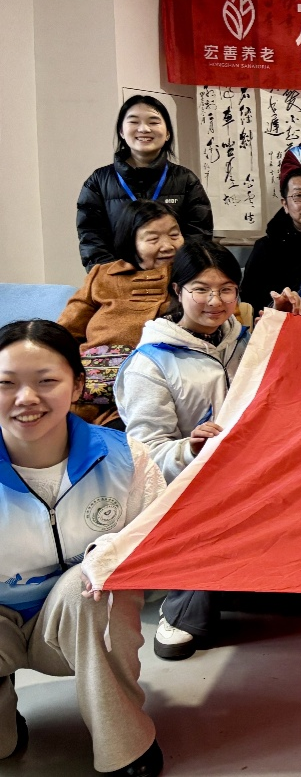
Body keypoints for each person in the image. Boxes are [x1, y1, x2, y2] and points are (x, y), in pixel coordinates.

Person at [0, 320, 166, 776]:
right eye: (6, 384)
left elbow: (157, 539)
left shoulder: (125, 457)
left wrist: (110, 553)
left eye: (46, 381)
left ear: (77, 386)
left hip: (78, 619)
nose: (26, 398)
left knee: (95, 584)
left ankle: (124, 741)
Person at [114, 239, 250, 660]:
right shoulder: (151, 362)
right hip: (191, 482)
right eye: (201, 289)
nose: (216, 301)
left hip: (252, 470)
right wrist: (190, 448)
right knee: (211, 504)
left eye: (226, 289)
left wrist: (291, 323)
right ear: (177, 291)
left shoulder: (245, 340)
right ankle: (183, 606)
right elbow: (145, 453)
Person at [59, 200, 185, 425]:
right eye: (153, 239)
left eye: (174, 235)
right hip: (90, 385)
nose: (167, 246)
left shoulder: (193, 277)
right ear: (130, 241)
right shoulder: (102, 275)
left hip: (153, 389)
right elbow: (63, 333)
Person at [76, 95, 212, 271]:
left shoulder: (186, 180)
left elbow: (199, 236)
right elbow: (91, 237)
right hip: (119, 280)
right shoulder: (98, 182)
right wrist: (115, 274)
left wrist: (180, 274)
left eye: (153, 122)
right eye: (134, 122)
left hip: (175, 279)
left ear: (168, 133)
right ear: (121, 131)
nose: (144, 129)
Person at [239, 167, 301, 316]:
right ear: (285, 205)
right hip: (286, 322)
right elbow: (251, 298)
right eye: (298, 196)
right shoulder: (267, 247)